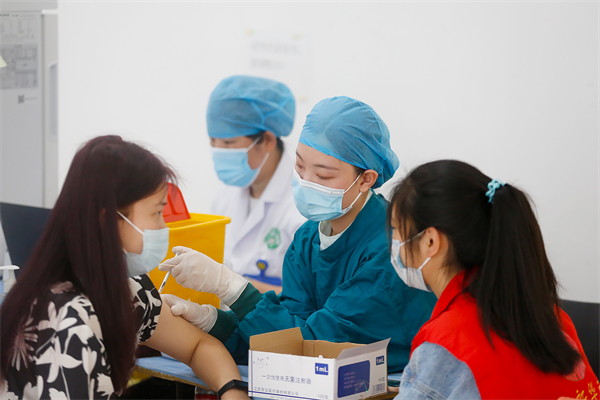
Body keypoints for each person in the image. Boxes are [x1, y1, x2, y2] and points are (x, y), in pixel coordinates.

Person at [159, 96, 437, 372]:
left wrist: (231, 288)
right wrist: (212, 322)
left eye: (323, 176)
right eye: (300, 167)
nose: (306, 182)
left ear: (366, 179)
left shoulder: (389, 248)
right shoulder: (307, 239)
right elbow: (285, 334)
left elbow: (314, 346)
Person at [0, 136, 249, 400]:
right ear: (110, 220)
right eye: (157, 213)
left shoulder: (129, 290)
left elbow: (198, 346)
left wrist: (232, 390)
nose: (163, 227)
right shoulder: (70, 321)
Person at [386, 160, 599, 399]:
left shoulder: (447, 343)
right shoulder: (551, 316)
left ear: (431, 241)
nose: (394, 242)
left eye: (396, 229)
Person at [207, 75, 305, 294]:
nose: (219, 152)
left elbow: (307, 298)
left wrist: (229, 286)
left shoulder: (302, 204)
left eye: (228, 143)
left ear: (268, 141)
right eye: (213, 142)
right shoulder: (226, 193)